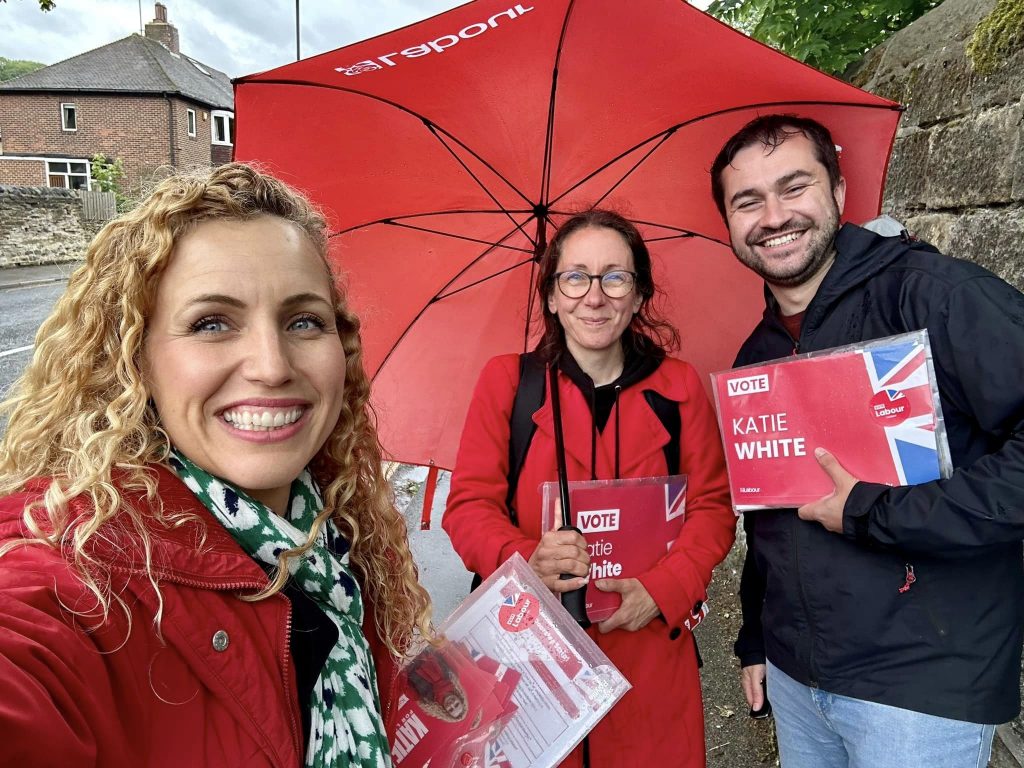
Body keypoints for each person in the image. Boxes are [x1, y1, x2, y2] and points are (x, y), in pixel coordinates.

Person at [0, 163, 432, 767]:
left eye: (303, 320)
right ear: (134, 359)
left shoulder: (344, 540)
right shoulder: (77, 575)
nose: (272, 366)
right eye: (211, 323)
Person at [710, 114, 1024, 768]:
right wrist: (756, 638)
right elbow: (770, 519)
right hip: (796, 682)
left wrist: (872, 511)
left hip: (918, 689)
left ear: (839, 191)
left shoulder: (934, 297)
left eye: (794, 187)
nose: (774, 216)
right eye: (748, 201)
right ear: (729, 223)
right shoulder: (755, 357)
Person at [443, 209, 737, 768]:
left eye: (614, 277)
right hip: (534, 663)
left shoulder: (678, 388)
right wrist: (526, 557)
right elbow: (469, 508)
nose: (594, 297)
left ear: (639, 293)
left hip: (648, 660)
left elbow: (712, 509)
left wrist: (666, 589)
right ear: (553, 296)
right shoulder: (509, 383)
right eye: (575, 277)